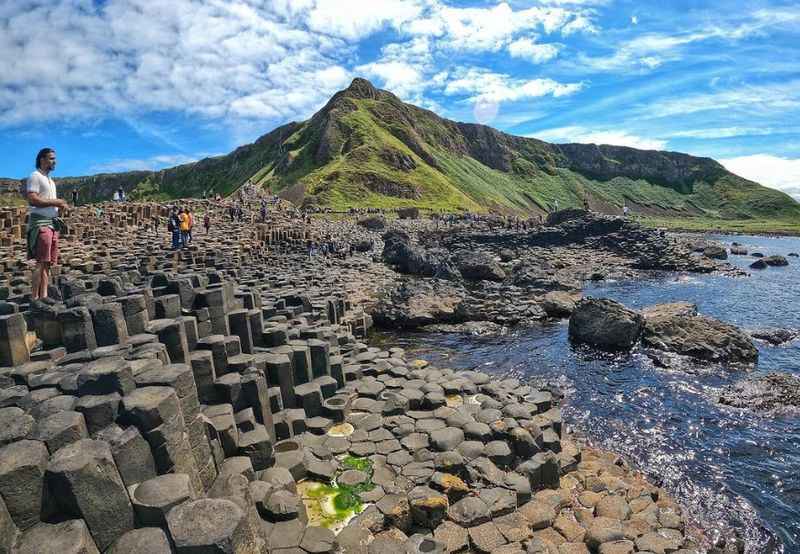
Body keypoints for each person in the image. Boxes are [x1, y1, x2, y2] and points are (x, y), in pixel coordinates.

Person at [26, 148, 68, 301]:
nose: (54, 161)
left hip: (52, 224)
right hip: (40, 223)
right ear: (42, 159)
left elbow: (49, 203)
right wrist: (56, 202)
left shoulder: (51, 181)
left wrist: (60, 207)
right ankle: (34, 298)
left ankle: (43, 296)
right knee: (40, 262)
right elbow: (33, 199)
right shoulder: (35, 176)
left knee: (48, 262)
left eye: (54, 158)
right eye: (51, 158)